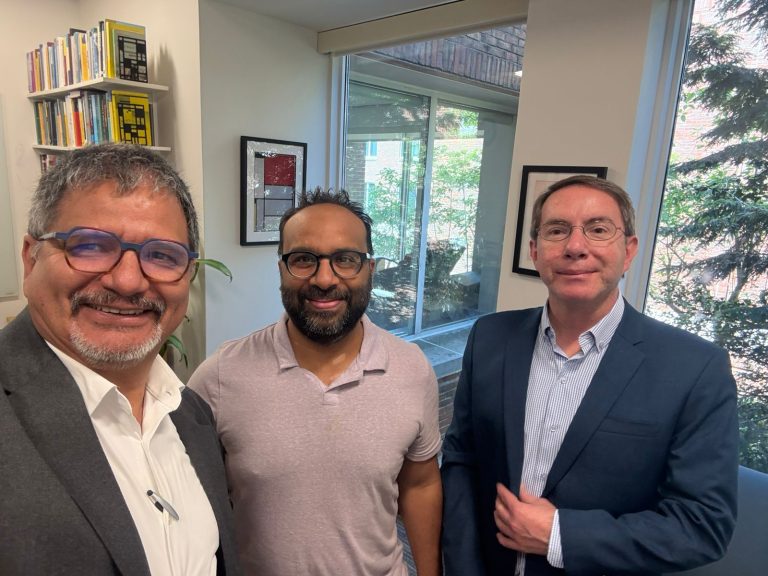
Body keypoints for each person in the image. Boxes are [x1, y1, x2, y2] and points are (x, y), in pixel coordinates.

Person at [441, 174, 739, 576]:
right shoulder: (490, 337)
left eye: (598, 230)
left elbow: (702, 525)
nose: (575, 247)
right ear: (535, 251)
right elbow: (461, 459)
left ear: (628, 251)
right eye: (556, 230)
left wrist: (560, 535)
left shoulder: (694, 368)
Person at [0, 143, 241, 575]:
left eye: (162, 255)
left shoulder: (192, 412)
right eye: (91, 246)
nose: (128, 282)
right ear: (30, 258)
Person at [188, 188, 443, 576]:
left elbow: (420, 484)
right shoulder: (221, 375)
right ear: (281, 269)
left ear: (370, 269)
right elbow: (191, 496)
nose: (324, 279)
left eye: (346, 259)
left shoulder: (412, 369)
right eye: (304, 259)